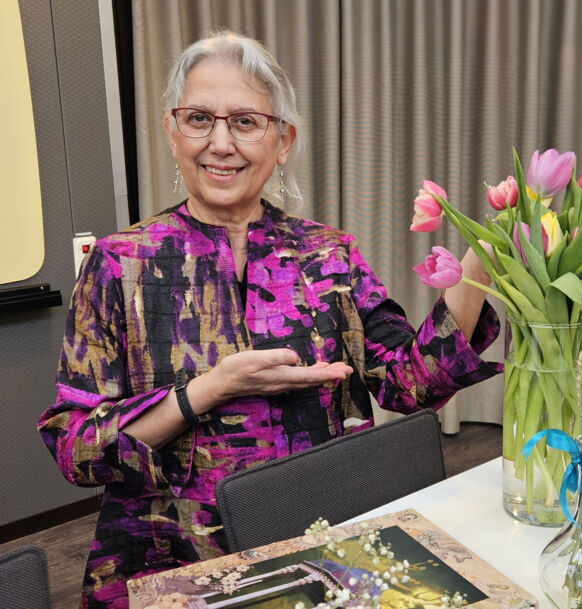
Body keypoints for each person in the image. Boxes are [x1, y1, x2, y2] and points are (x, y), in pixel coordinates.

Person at [37, 30, 501, 608]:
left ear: (284, 140)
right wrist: (208, 390)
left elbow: (409, 384)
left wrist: (478, 266)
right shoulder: (120, 263)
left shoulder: (329, 255)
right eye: (199, 118)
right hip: (168, 559)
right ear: (171, 132)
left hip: (312, 546)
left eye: (246, 121)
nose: (221, 142)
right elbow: (76, 447)